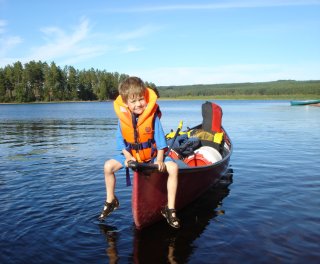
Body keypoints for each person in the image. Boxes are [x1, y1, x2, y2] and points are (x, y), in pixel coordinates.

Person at [98, 76, 180, 228]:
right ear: (126, 103)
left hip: (153, 156)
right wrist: (128, 156)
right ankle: (111, 200)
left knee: (174, 168)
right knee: (108, 166)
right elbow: (121, 143)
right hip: (132, 157)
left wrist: (160, 160)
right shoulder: (123, 119)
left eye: (141, 99)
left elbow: (161, 143)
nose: (138, 104)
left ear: (146, 98)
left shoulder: (152, 117)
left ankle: (169, 208)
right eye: (133, 101)